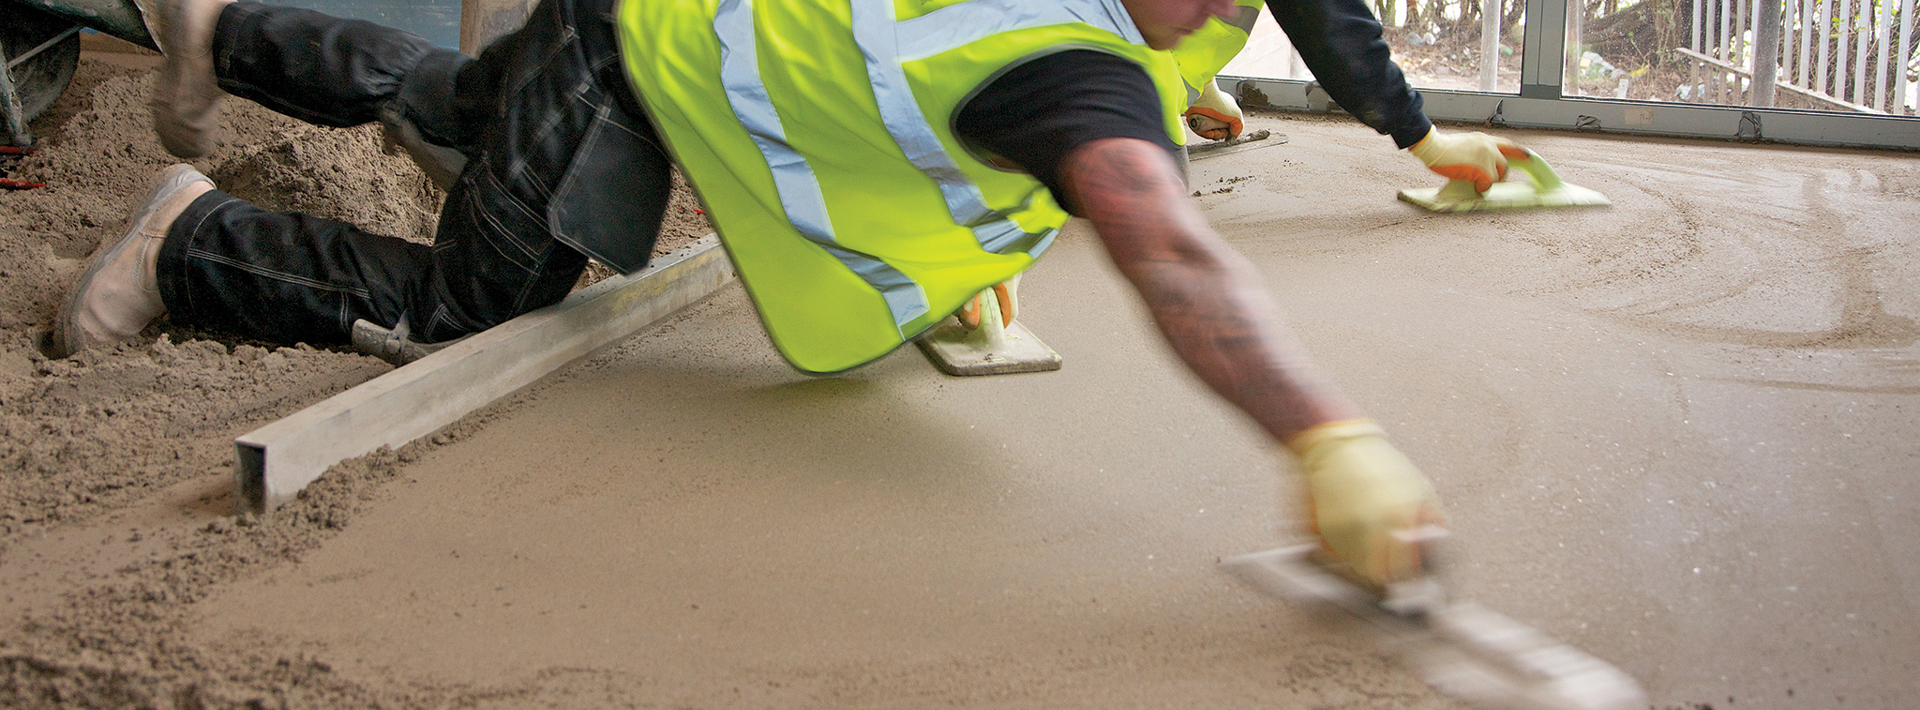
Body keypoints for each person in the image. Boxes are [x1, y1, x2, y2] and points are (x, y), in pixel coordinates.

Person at [56, 0, 1529, 592]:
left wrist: (966, 270)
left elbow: (919, 116)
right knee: (471, 302)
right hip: (647, 61)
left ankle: (223, 32)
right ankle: (187, 243)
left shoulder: (1095, 60)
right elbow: (1170, 249)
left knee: (453, 97)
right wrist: (1323, 433)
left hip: (652, 12)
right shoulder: (1080, 79)